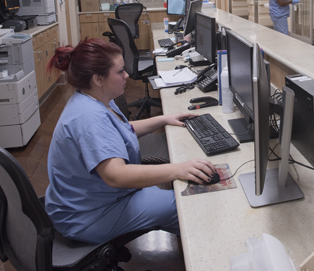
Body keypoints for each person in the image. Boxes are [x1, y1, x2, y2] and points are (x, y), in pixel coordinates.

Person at [44, 38, 216, 244]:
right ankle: (208, 257)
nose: (126, 75)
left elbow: (122, 131)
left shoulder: (95, 99)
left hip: (95, 199)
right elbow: (116, 175)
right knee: (184, 203)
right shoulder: (89, 118)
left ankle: (193, 245)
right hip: (88, 216)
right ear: (98, 79)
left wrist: (163, 119)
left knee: (175, 199)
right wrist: (178, 169)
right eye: (120, 72)